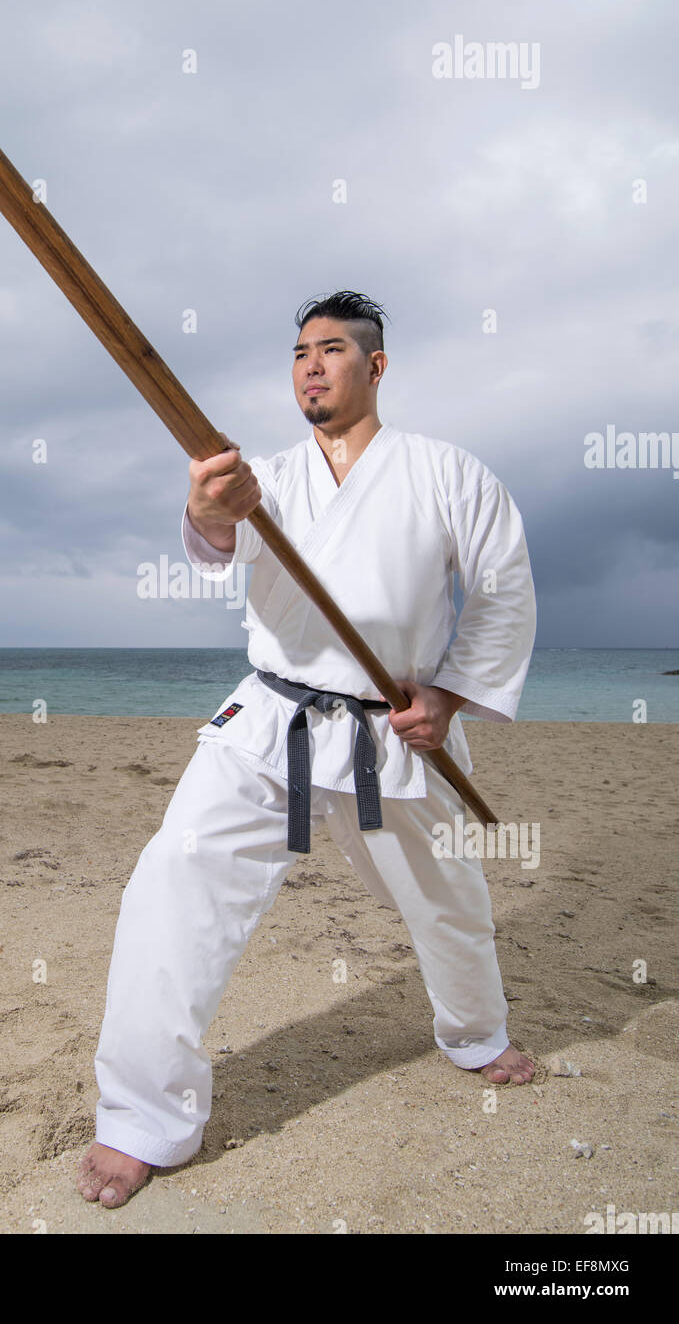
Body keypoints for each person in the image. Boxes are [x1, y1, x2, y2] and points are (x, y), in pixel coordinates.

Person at [77, 291, 537, 1209]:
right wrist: (209, 511)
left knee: (449, 898)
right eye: (297, 354)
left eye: (331, 350)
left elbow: (499, 591)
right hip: (268, 723)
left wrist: (444, 696)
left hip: (390, 730)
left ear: (376, 366)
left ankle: (474, 1033)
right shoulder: (263, 480)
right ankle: (140, 1118)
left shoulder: (450, 474)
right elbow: (221, 543)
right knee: (174, 885)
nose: (311, 367)